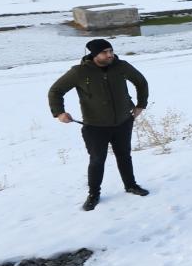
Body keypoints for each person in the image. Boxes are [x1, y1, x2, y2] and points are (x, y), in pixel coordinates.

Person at [48, 39, 151, 211]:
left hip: (123, 122)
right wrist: (59, 112)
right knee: (97, 160)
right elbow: (55, 91)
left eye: (111, 51)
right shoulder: (79, 72)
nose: (110, 55)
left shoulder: (121, 66)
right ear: (94, 54)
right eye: (105, 52)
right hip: (95, 126)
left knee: (124, 155)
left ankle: (131, 185)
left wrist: (141, 104)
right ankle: (93, 194)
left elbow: (141, 82)